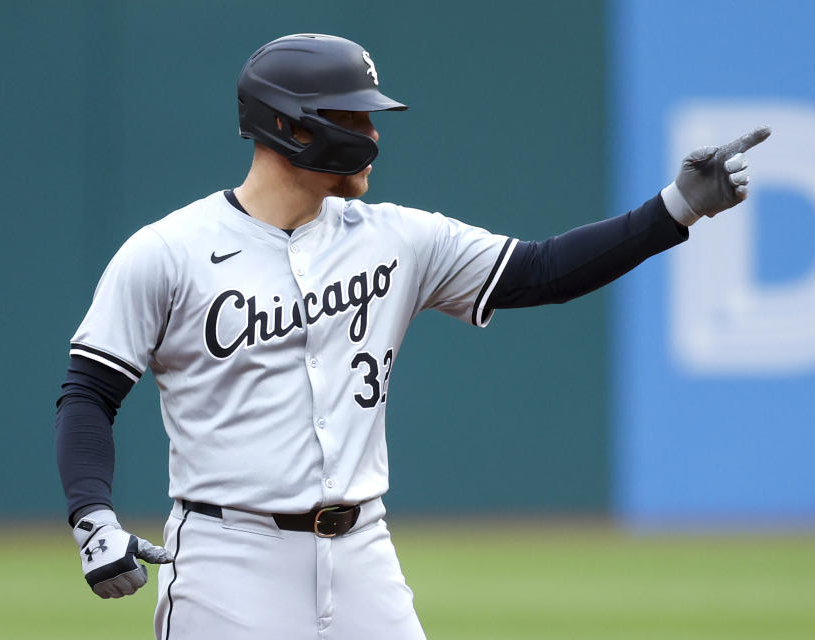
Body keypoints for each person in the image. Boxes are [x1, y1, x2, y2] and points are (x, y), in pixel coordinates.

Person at [55, 33, 769, 640]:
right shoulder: (168, 251)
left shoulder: (399, 239)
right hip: (226, 561)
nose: (371, 135)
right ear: (291, 127)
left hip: (363, 552)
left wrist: (676, 210)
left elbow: (541, 270)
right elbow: (90, 391)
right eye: (354, 118)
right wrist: (92, 515)